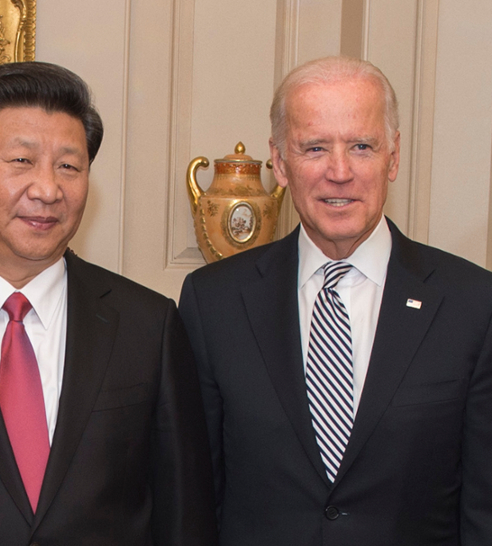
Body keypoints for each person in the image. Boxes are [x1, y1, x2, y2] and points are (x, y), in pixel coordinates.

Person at [0, 61, 217, 545]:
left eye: (69, 166)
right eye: (21, 161)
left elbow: (184, 519)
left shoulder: (148, 327)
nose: (48, 190)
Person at [179, 55, 492, 546]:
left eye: (362, 146)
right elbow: (197, 499)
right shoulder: (213, 302)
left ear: (394, 156)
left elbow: (483, 510)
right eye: (315, 148)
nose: (339, 172)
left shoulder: (473, 305)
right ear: (279, 163)